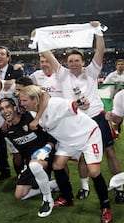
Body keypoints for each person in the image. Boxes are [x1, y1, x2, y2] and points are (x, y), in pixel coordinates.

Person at [41, 21, 124, 203]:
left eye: (77, 60)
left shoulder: (92, 71)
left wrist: (98, 32)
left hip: (97, 117)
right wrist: (39, 37)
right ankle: (85, 187)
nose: (73, 63)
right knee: (81, 156)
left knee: (110, 151)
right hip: (77, 121)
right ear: (67, 63)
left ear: (82, 61)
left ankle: (119, 188)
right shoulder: (62, 74)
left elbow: (100, 51)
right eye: (70, 61)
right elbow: (47, 53)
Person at [19, 85, 113, 223]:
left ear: (35, 100)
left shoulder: (55, 104)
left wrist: (82, 102)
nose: (22, 103)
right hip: (67, 141)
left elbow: (74, 104)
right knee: (57, 166)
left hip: (88, 135)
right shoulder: (33, 112)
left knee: (93, 171)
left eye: (25, 100)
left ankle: (105, 207)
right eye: (21, 100)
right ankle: (67, 198)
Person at [0, 97, 57, 218]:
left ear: (15, 108)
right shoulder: (7, 128)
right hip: (30, 160)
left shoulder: (30, 118)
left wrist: (47, 148)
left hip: (47, 153)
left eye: (7, 107)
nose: (5, 111)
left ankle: (47, 200)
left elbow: (51, 134)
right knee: (19, 195)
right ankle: (52, 185)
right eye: (2, 109)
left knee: (35, 165)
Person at [0, 46, 23, 180]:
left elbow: (23, 85)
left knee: (18, 146)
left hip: (14, 117)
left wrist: (15, 81)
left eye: (2, 54)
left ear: (8, 58)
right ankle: (4, 171)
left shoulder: (16, 71)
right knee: (0, 146)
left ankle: (21, 172)